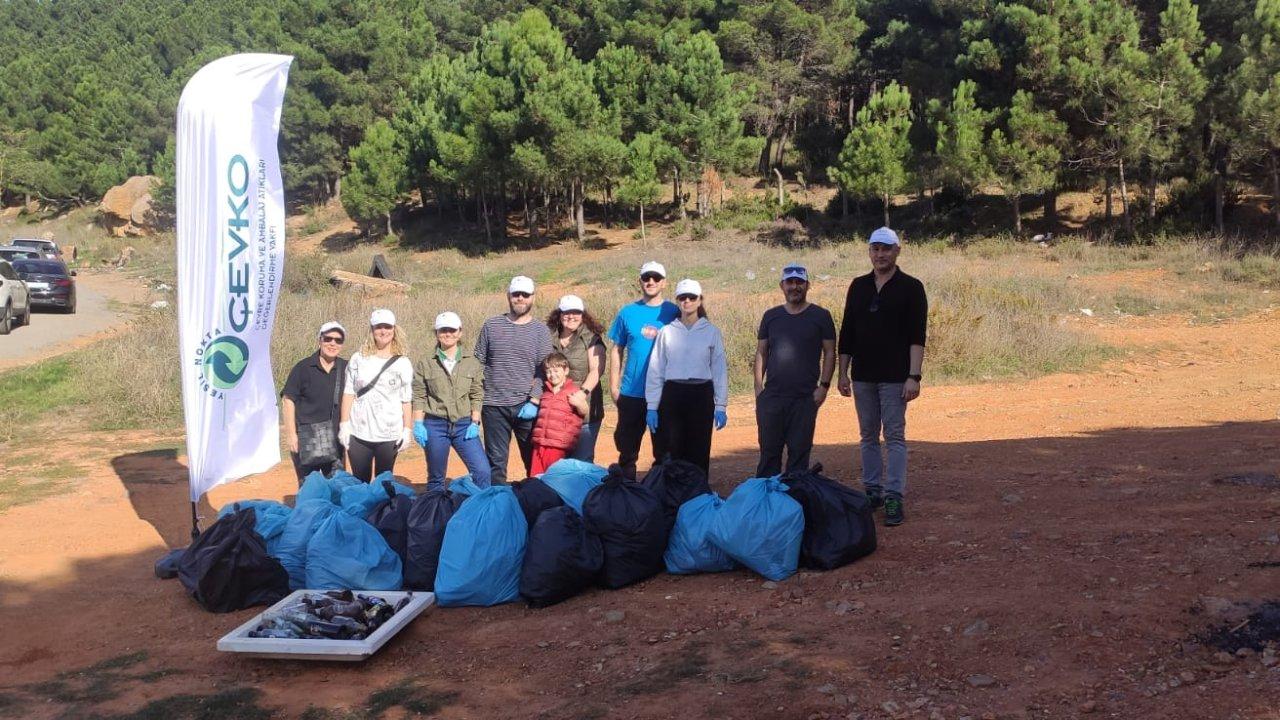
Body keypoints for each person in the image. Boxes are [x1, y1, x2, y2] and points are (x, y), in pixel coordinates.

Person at [837, 227, 927, 527]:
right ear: (869, 252)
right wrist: (842, 372)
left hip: (895, 376)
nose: (880, 254)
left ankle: (893, 496)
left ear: (897, 251)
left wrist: (914, 376)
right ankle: (872, 491)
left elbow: (917, 335)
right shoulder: (858, 286)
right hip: (862, 374)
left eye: (886, 249)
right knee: (867, 436)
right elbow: (847, 332)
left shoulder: (911, 287)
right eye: (875, 249)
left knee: (895, 436)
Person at [753, 264, 836, 477]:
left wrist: (824, 387)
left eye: (799, 282)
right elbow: (761, 351)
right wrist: (758, 389)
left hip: (805, 398)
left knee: (799, 456)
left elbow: (829, 352)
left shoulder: (821, 316)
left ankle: (794, 503)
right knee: (769, 454)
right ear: (782, 286)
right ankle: (767, 503)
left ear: (808, 285)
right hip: (772, 397)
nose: (794, 286)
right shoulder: (771, 316)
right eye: (790, 282)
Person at [644, 279, 729, 479]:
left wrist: (721, 406)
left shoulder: (711, 332)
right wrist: (652, 406)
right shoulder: (667, 332)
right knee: (672, 449)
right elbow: (656, 370)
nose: (687, 301)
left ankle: (697, 498)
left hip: (701, 394)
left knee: (699, 449)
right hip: (673, 394)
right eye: (683, 298)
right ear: (678, 301)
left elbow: (719, 370)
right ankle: (673, 499)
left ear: (700, 300)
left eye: (692, 297)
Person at [475, 276, 554, 484]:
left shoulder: (541, 331)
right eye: (516, 294)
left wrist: (535, 399)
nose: (520, 298)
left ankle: (534, 505)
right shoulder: (491, 326)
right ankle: (499, 507)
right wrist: (476, 400)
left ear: (533, 298)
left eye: (525, 295)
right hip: (493, 406)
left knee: (533, 461)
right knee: (496, 464)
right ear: (508, 296)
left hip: (526, 405)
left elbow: (545, 370)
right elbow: (477, 364)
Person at [608, 261, 679, 478]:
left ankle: (660, 496)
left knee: (665, 452)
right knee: (627, 452)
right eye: (646, 277)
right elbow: (616, 349)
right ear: (640, 281)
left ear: (664, 283)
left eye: (656, 278)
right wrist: (613, 386)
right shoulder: (627, 313)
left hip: (664, 393)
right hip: (632, 392)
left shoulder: (674, 312)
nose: (650, 282)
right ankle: (628, 496)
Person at [412, 311, 492, 490]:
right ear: (437, 333)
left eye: (452, 330)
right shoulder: (426, 363)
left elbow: (477, 393)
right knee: (436, 478)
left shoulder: (472, 363)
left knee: (482, 472)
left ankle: (478, 511)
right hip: (435, 425)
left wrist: (475, 421)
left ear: (460, 332)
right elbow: (419, 394)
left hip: (464, 425)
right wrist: (418, 424)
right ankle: (436, 514)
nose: (448, 334)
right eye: (443, 330)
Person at [339, 309, 415, 482]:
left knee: (384, 483)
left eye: (387, 327)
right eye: (378, 327)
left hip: (389, 434)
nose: (383, 331)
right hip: (359, 433)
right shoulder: (358, 358)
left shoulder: (403, 362)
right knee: (360, 482)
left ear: (394, 330)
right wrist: (344, 425)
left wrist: (407, 429)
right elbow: (349, 392)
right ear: (371, 330)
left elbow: (406, 399)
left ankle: (383, 510)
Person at [280, 321, 349, 482]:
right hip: (305, 439)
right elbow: (288, 401)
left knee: (336, 488)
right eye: (328, 339)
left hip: (335, 440)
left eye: (338, 340)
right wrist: (291, 435)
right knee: (308, 489)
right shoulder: (302, 368)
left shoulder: (347, 368)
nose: (333, 343)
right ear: (320, 340)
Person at [546, 294, 607, 462]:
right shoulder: (548, 336)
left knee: (582, 461)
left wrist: (582, 394)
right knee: (556, 461)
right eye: (567, 312)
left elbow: (596, 370)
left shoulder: (591, 338)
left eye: (576, 312)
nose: (571, 317)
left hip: (583, 410)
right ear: (559, 314)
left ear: (582, 315)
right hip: (556, 410)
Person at [529, 352, 589, 475]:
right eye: (549, 371)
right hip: (540, 443)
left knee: (554, 479)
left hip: (558, 446)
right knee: (536, 479)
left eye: (556, 371)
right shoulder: (545, 392)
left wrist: (579, 403)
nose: (552, 375)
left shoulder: (574, 391)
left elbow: (584, 411)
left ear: (566, 371)